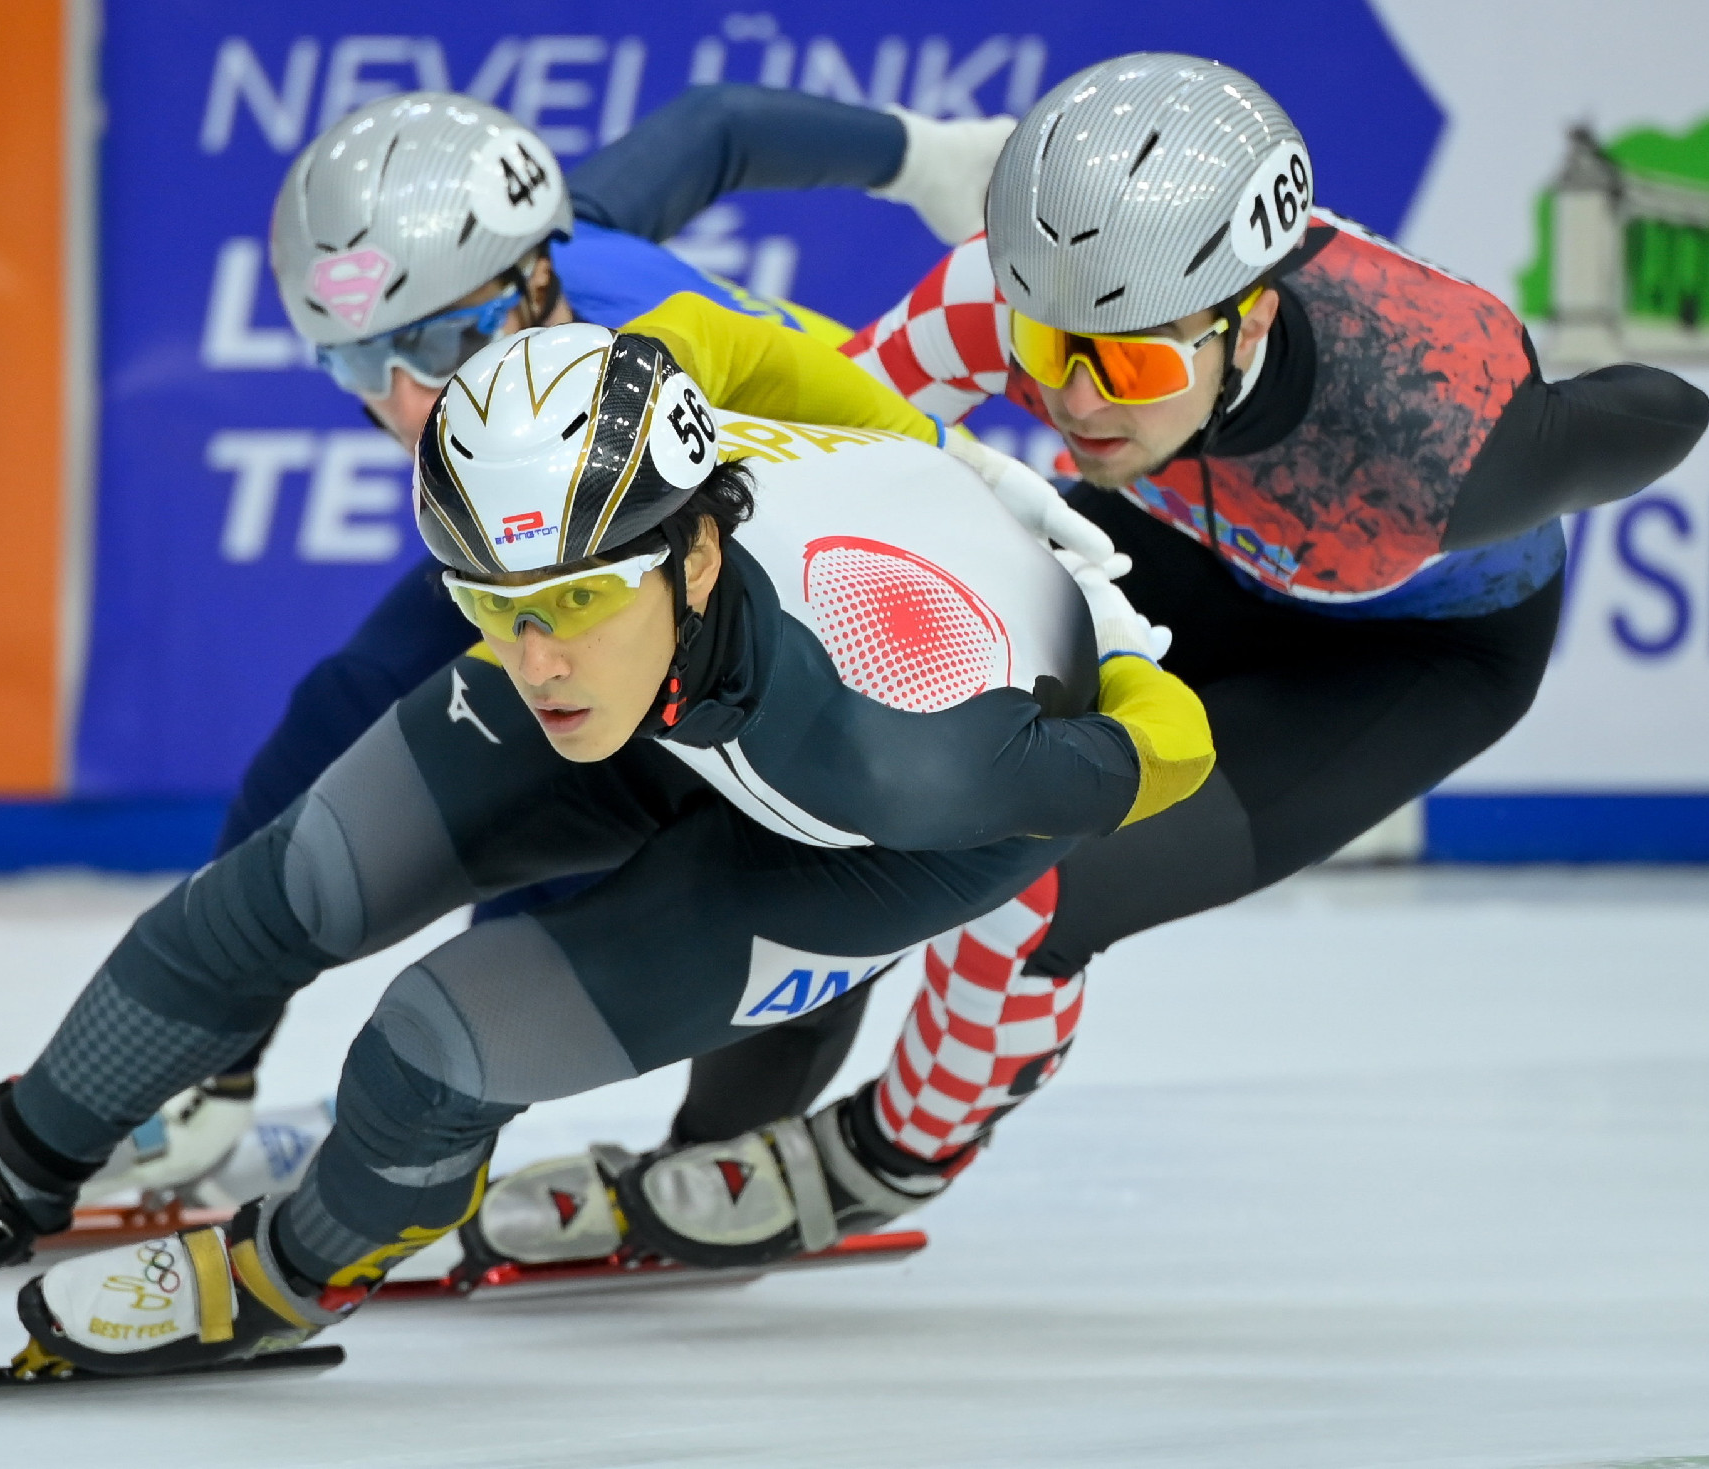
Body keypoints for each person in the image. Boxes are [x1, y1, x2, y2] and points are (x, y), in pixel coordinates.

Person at [0, 324, 1211, 1375]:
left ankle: (280, 1274)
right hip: (705, 683)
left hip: (867, 831)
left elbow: (1172, 755)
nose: (534, 655)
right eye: (490, 601)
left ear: (695, 555)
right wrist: (921, 442)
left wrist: (1118, 634)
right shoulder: (609, 504)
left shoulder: (903, 745)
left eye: (570, 602)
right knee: (284, 889)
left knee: (436, 1047)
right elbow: (731, 343)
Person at [606, 50, 1709, 1226]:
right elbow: (786, 446)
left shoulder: (1442, 435)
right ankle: (713, 1136)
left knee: (1030, 885)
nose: (1076, 401)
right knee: (843, 767)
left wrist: (1537, 442)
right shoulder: (1000, 296)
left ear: (1250, 323)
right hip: (1176, 549)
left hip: (1408, 656)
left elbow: (1669, 410)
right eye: (1045, 352)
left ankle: (885, 1157)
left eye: (1124, 361)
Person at [90, 84, 1111, 1203]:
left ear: (531, 282)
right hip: (583, 533)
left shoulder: (630, 356)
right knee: (346, 706)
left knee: (772, 840)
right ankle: (208, 1076)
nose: (402, 402)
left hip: (841, 560)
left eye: (434, 346)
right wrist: (924, 158)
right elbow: (712, 129)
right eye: (355, 365)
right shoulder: (557, 237)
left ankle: (685, 1143)